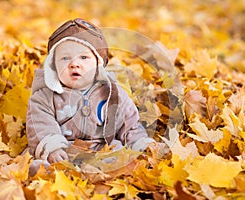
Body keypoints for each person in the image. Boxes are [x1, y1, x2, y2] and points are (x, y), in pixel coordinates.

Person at [26, 18, 168, 176]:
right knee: (42, 163)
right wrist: (52, 147)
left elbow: (129, 124)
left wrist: (141, 144)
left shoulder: (111, 93)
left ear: (98, 64)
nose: (74, 64)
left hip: (102, 149)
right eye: (65, 58)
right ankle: (51, 172)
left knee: (121, 157)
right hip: (64, 150)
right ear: (53, 65)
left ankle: (113, 170)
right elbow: (39, 124)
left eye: (84, 58)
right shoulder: (45, 95)